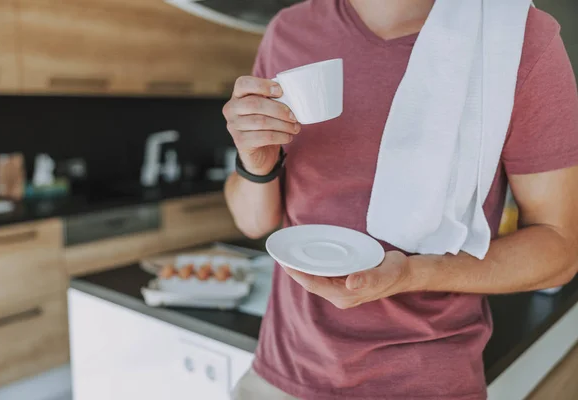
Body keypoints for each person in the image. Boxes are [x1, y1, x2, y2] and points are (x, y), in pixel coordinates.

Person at [223, 0, 578, 399]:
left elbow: (560, 248)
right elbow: (253, 221)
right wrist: (255, 161)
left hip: (424, 384)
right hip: (280, 375)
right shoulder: (289, 30)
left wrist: (414, 274)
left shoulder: (516, 37)